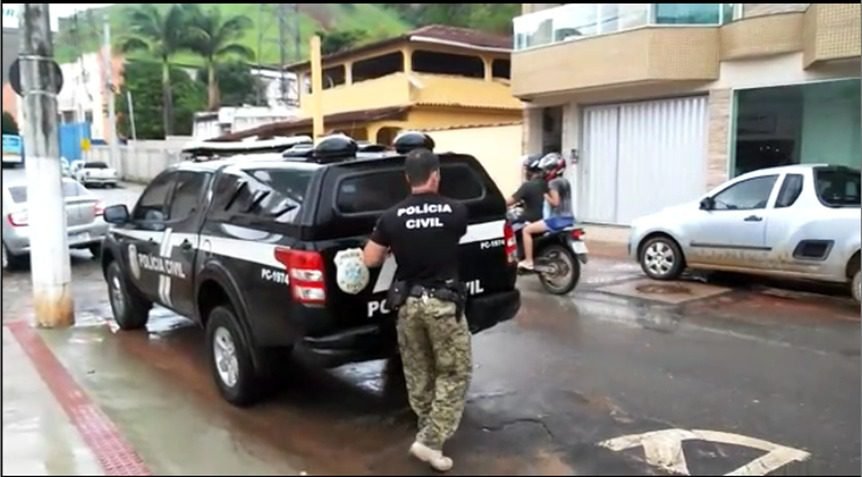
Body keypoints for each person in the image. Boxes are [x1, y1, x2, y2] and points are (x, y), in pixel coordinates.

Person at [362, 148, 471, 472]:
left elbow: (370, 259)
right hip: (442, 305)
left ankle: (428, 436)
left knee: (419, 373)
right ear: (436, 175)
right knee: (453, 373)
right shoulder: (456, 211)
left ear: (407, 178)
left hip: (408, 305)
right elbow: (450, 237)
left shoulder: (391, 216)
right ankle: (430, 442)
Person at [518, 154, 574, 270]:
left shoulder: (553, 183)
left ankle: (528, 261)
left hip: (556, 220)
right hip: (569, 218)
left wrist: (545, 195)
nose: (547, 172)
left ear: (556, 169)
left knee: (526, 230)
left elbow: (556, 202)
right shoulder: (565, 181)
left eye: (549, 169)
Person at [507, 156, 548, 224]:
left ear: (530, 171)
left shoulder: (528, 185)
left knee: (509, 225)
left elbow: (509, 202)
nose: (525, 172)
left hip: (530, 219)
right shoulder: (546, 183)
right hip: (544, 220)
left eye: (526, 169)